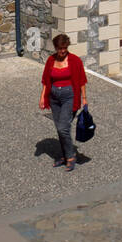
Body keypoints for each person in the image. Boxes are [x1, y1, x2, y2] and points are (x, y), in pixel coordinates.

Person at [39, 34, 87, 171]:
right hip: (54, 98)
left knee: (63, 128)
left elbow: (82, 80)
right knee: (60, 128)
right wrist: (42, 97)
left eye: (65, 48)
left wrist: (84, 98)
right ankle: (65, 155)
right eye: (60, 48)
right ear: (55, 48)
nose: (62, 51)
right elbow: (45, 80)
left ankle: (71, 155)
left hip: (69, 97)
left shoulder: (75, 61)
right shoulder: (50, 60)